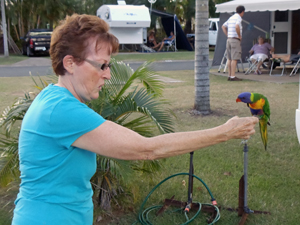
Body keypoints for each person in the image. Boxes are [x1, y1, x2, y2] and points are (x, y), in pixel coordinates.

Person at [12, 14, 258, 225]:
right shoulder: (61, 110)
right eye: (102, 66)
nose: (108, 75)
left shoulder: (57, 100)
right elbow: (147, 149)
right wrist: (225, 132)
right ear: (70, 63)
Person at [222, 5, 245, 81]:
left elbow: (223, 26)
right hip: (235, 40)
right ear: (242, 12)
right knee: (234, 59)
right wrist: (239, 36)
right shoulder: (238, 18)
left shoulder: (231, 17)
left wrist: (228, 35)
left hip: (229, 39)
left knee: (229, 58)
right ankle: (233, 76)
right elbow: (237, 26)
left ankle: (229, 75)